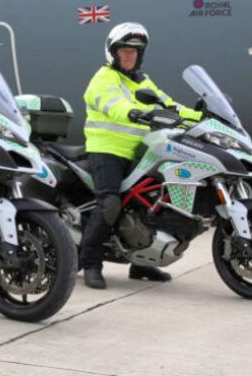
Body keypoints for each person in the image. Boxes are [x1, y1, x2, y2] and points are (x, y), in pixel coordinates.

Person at [80, 22, 202, 289]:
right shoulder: (104, 78)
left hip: (140, 150)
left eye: (134, 51)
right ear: (113, 52)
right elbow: (112, 104)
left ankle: (143, 264)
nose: (129, 55)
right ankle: (90, 263)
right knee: (110, 203)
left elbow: (169, 105)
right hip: (107, 150)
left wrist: (202, 116)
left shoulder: (143, 82)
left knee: (153, 203)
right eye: (124, 50)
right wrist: (134, 112)